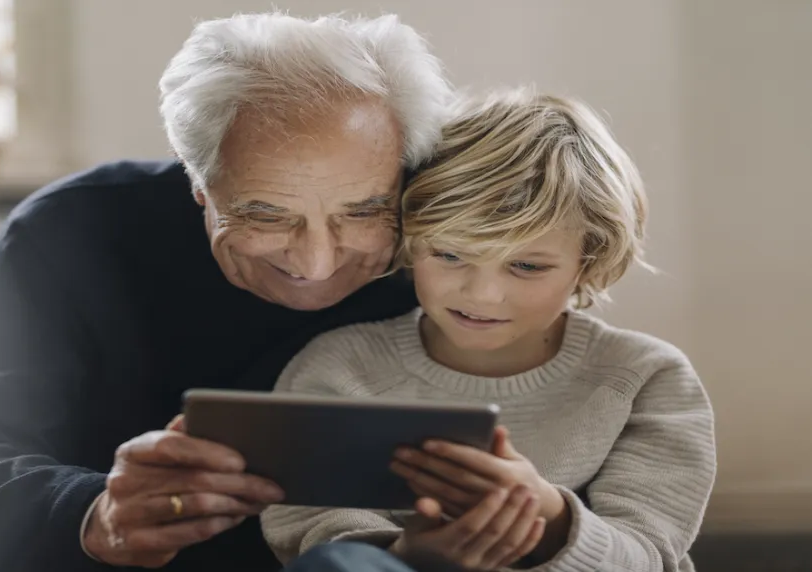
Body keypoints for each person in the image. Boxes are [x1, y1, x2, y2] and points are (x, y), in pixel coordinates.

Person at [0, 11, 455, 572]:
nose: (317, 263)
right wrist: (96, 514)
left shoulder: (452, 250)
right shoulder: (74, 231)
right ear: (199, 184)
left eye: (362, 213)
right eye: (266, 215)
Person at [261, 90, 717, 571]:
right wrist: (408, 555)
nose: (482, 295)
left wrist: (546, 514)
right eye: (450, 255)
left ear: (589, 261)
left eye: (525, 266)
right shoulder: (340, 367)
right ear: (409, 242)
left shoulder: (645, 378)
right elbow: (306, 529)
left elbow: (647, 557)